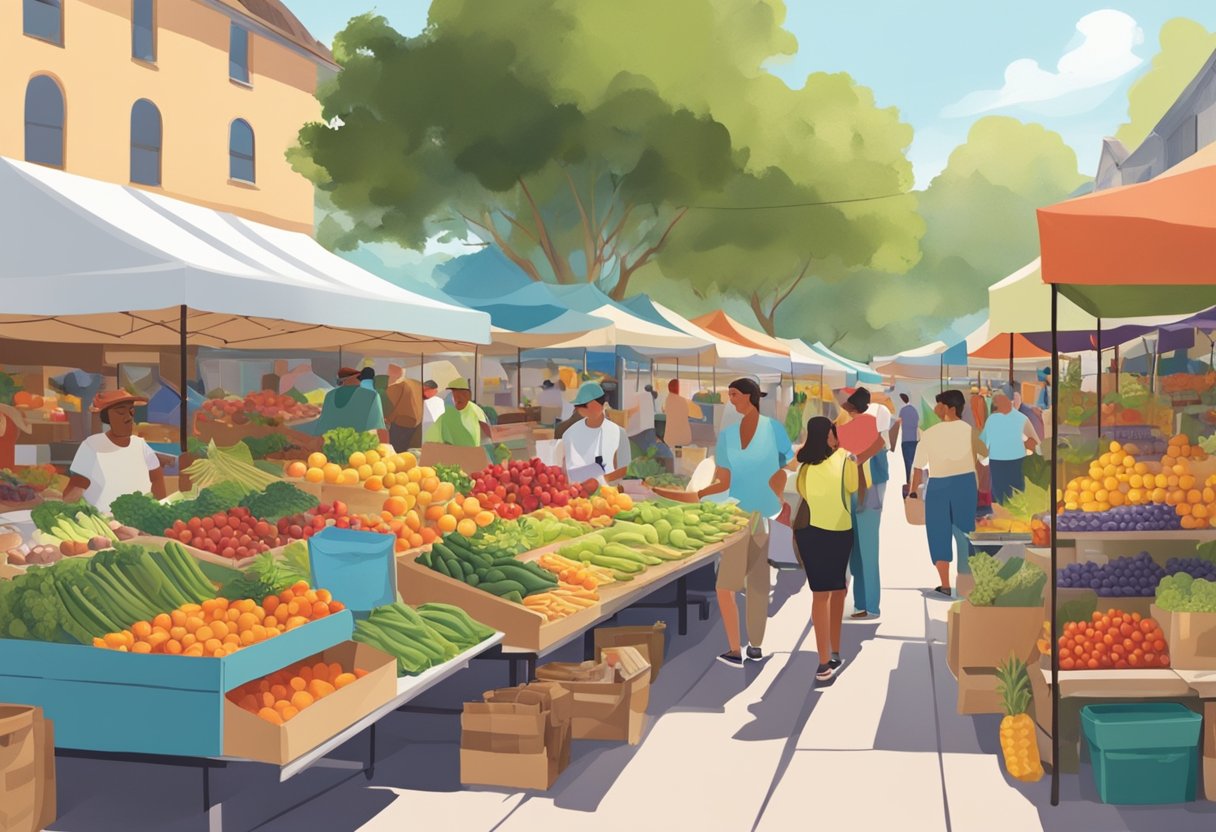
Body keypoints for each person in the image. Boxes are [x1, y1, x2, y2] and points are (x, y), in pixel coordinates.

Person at [654, 378, 793, 668]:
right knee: (738, 584)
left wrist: (776, 495)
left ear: (749, 396)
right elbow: (725, 481)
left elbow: (785, 468)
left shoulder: (772, 430)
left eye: (734, 394)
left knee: (749, 583)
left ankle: (747, 647)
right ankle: (741, 646)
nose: (730, 400)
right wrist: (700, 494)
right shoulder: (729, 436)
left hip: (757, 516)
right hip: (738, 516)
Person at [793, 416, 860, 682]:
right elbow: (852, 487)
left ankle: (823, 662)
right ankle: (835, 650)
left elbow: (803, 493)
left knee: (819, 595)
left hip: (809, 532)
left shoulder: (804, 468)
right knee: (838, 590)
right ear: (830, 436)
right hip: (838, 531)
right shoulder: (845, 458)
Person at [909, 390, 988, 597]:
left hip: (938, 486)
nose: (936, 408)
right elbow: (985, 458)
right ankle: (965, 582)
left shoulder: (930, 433)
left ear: (950, 408)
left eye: (939, 404)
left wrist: (912, 492)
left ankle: (944, 584)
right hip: (965, 484)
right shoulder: (971, 431)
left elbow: (918, 467)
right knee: (965, 533)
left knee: (938, 533)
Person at [63, 391, 167, 513]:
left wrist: (160, 510)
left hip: (142, 520)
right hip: (105, 523)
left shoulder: (140, 445)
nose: (128, 417)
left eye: (131, 411)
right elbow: (76, 487)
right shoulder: (92, 446)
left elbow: (156, 479)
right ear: (106, 417)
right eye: (120, 412)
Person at [836, 388, 888, 621]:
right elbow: (881, 461)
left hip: (851, 493)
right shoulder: (870, 424)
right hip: (870, 493)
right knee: (867, 549)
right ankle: (868, 605)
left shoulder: (840, 428)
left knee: (855, 550)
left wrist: (856, 460)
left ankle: (863, 604)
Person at [561, 382, 631, 486]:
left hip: (609, 494)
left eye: (586, 405)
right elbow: (564, 467)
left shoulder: (619, 433)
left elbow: (625, 468)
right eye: (580, 406)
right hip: (575, 492)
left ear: (602, 404)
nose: (582, 409)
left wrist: (600, 480)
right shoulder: (570, 433)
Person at [980, 392, 1040, 504]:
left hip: (998, 464)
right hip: (1017, 463)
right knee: (1017, 496)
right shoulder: (1022, 418)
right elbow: (1036, 443)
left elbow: (982, 446)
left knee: (1000, 498)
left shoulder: (992, 420)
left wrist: (982, 460)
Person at [304, 367, 388, 444]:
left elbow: (322, 425)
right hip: (360, 448)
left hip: (331, 445)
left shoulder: (330, 395)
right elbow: (379, 426)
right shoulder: (371, 395)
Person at [425, 378, 490, 447]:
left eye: (462, 393)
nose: (458, 396)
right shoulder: (447, 412)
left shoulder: (476, 410)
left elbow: (487, 435)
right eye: (454, 393)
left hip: (468, 453)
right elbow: (431, 441)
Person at [384, 365, 424, 452]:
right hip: (416, 423)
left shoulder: (396, 387)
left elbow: (387, 407)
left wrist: (386, 418)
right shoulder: (416, 384)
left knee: (396, 452)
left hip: (400, 424)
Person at [626, 384, 658, 453]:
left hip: (644, 430)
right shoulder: (647, 398)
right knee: (651, 450)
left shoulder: (643, 397)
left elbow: (637, 409)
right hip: (647, 429)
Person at [897, 393, 920, 483]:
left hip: (906, 440)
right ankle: (914, 482)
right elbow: (917, 423)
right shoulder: (914, 410)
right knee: (914, 462)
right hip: (914, 439)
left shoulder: (902, 410)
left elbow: (899, 423)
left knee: (907, 463)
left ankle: (909, 482)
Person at [663, 379, 693, 448]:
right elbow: (687, 414)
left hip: (670, 436)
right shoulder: (682, 401)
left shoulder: (668, 400)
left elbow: (666, 412)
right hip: (683, 435)